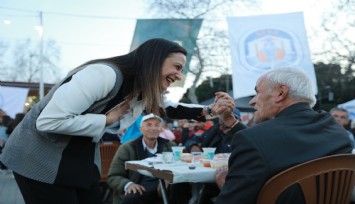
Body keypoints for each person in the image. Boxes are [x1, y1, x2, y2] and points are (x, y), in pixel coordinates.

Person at [1, 38, 213, 204]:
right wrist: (105, 119)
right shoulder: (103, 74)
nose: (179, 75)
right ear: (155, 60)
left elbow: (170, 108)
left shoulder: (141, 88)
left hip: (79, 159)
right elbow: (48, 121)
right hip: (37, 157)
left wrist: (210, 110)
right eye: (177, 67)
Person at [214, 67, 353, 204]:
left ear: (281, 92)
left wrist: (227, 185)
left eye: (257, 92)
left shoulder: (255, 138)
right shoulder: (337, 131)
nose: (252, 101)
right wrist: (232, 123)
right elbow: (274, 144)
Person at [106, 113, 171, 203]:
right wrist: (128, 184)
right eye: (149, 125)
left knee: (180, 189)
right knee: (131, 198)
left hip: (163, 186)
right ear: (141, 129)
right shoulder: (127, 148)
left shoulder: (169, 146)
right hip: (140, 186)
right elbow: (113, 176)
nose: (153, 128)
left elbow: (178, 168)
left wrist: (168, 179)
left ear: (160, 129)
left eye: (156, 125)